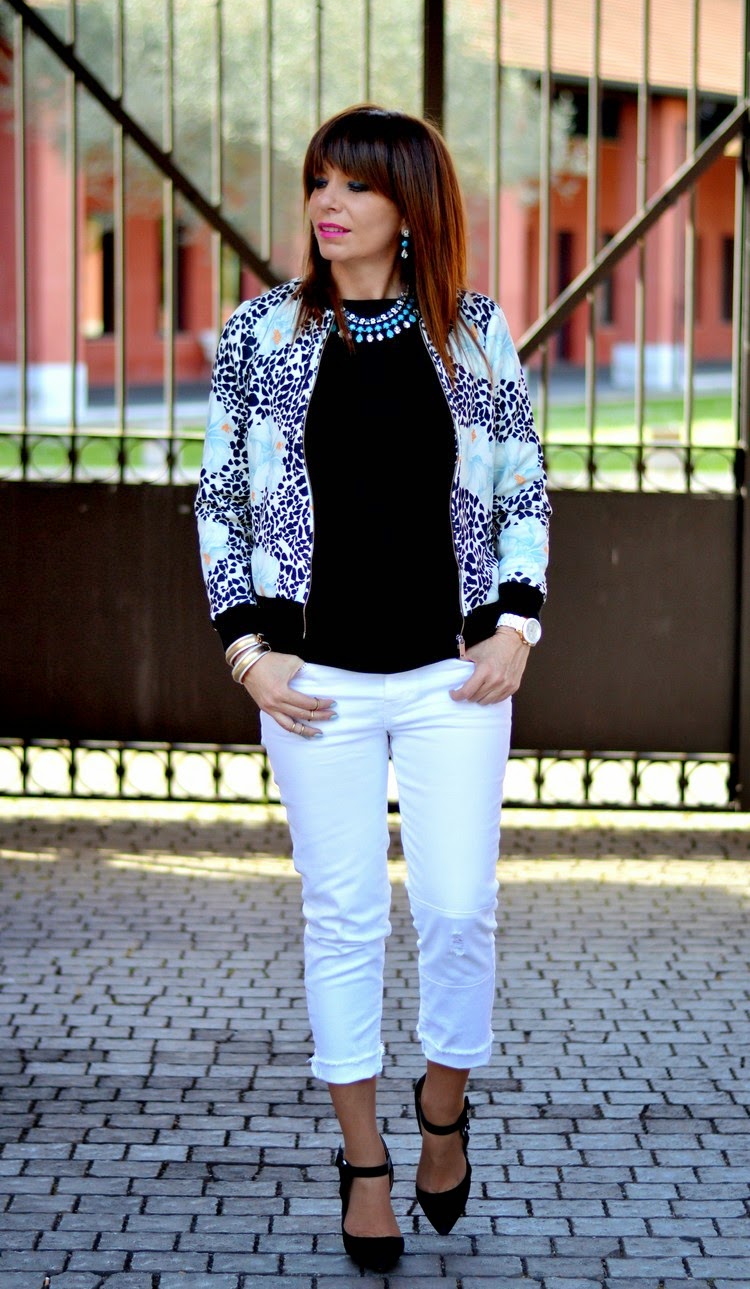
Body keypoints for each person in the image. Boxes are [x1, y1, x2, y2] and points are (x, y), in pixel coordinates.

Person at [196, 104, 550, 1272]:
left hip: (455, 678)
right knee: (342, 917)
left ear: (410, 205)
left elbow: (521, 487)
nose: (327, 202)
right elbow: (220, 498)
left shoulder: (473, 331)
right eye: (319, 181)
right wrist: (249, 649)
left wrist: (515, 627)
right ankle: (365, 1162)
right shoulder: (261, 333)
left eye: (354, 184)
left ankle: (444, 1108)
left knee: (457, 907)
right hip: (315, 686)